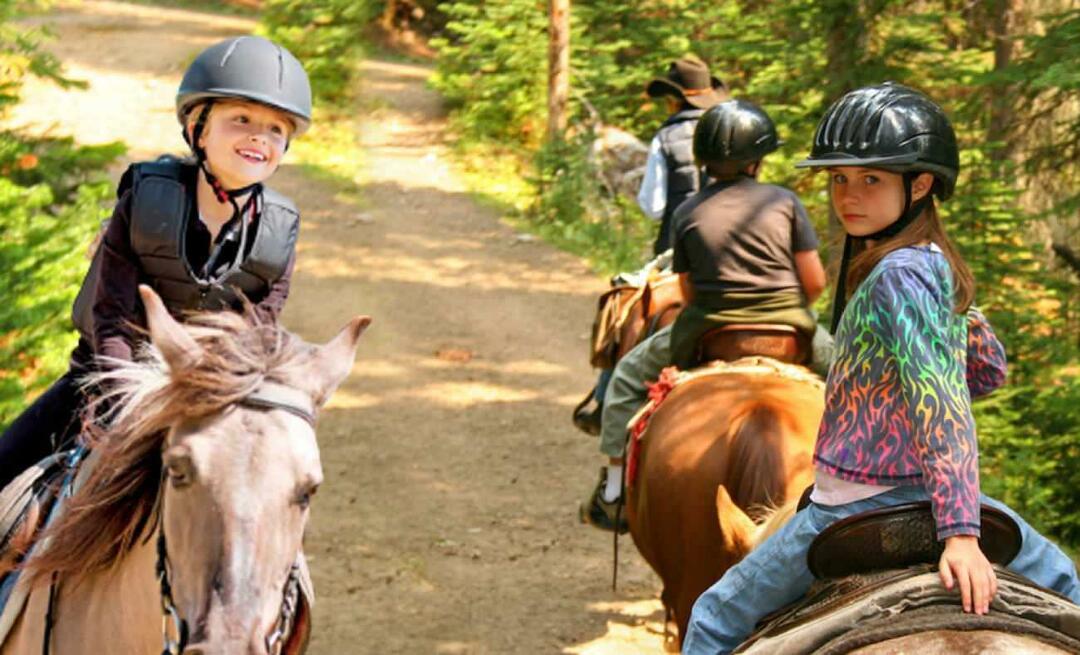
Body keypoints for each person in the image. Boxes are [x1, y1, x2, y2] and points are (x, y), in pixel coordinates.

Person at [682, 83, 1080, 654]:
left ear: (919, 185)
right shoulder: (927, 265)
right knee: (1066, 586)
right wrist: (956, 312)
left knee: (714, 617)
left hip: (857, 501)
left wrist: (962, 537)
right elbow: (991, 371)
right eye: (839, 178)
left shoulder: (895, 274)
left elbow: (942, 403)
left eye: (871, 179)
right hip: (930, 492)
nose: (849, 195)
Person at [0, 35, 312, 490]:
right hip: (110, 381)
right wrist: (129, 401)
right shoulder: (146, 202)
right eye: (240, 119)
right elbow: (109, 316)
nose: (257, 137)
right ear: (198, 130)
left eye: (275, 130)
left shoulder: (278, 233)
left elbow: (256, 337)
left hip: (207, 399)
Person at [579, 99, 826, 533]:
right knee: (866, 387)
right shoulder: (785, 202)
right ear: (758, 160)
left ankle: (614, 492)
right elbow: (815, 283)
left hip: (710, 332)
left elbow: (689, 291)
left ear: (704, 160)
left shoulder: (687, 211)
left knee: (623, 381)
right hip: (790, 330)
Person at [573, 57, 730, 435]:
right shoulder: (728, 129)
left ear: (674, 100)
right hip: (732, 251)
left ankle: (604, 398)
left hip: (678, 250)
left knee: (627, 303)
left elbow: (653, 205)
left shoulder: (665, 136)